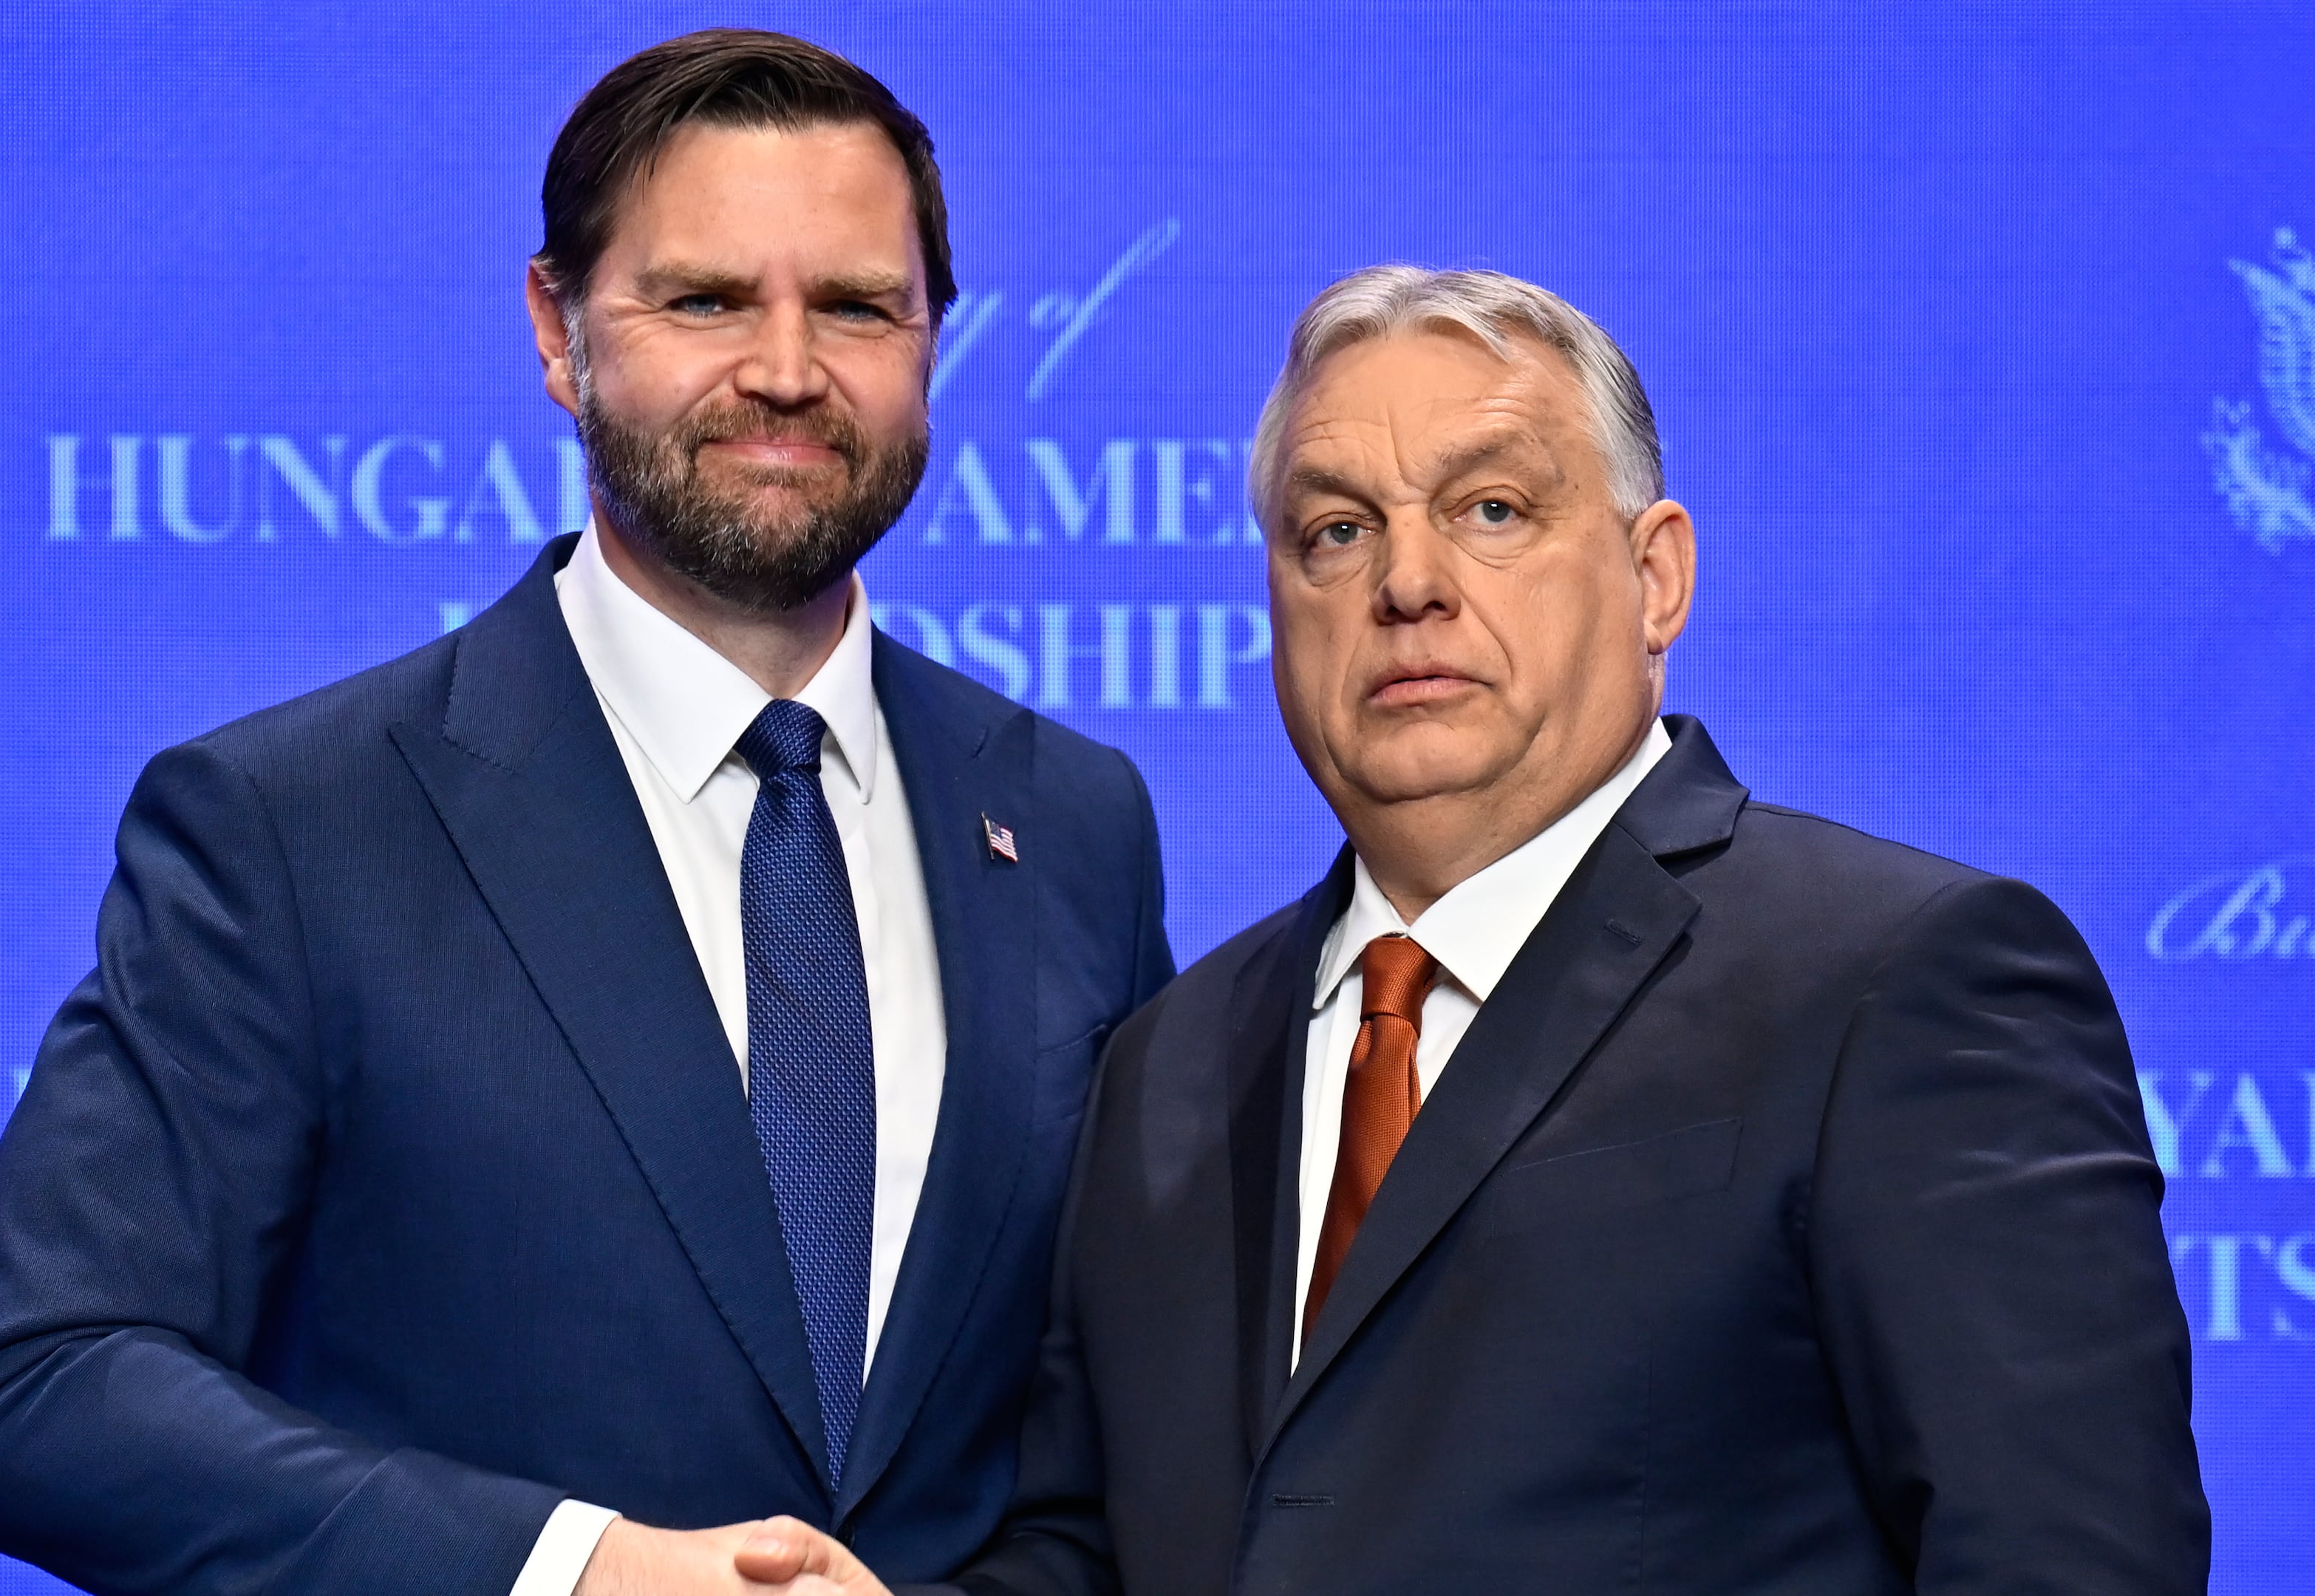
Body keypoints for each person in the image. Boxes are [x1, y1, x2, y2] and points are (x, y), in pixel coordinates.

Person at [0, 30, 1170, 1596]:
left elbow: (1115, 1435)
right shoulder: (290, 827)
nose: (786, 369)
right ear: (558, 331)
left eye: (856, 306)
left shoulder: (1070, 825)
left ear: (933, 341)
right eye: (705, 299)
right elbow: (37, 1385)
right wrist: (569, 1572)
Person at [761, 264, 2210, 1595]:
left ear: (1658, 579)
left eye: (1492, 510)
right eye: (1336, 531)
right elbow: (1102, 1553)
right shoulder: (1172, 1061)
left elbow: (2060, 1564)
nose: (1407, 585)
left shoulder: (1904, 983)